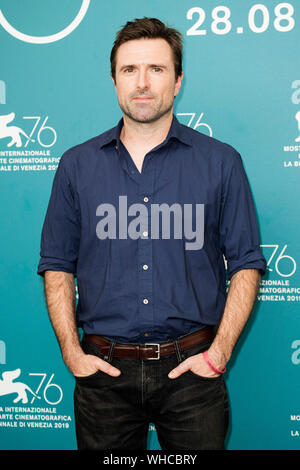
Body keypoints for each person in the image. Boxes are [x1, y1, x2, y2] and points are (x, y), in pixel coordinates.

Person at [37, 17, 266, 450]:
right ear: (114, 80)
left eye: (156, 70)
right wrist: (72, 353)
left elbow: (247, 264)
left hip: (192, 376)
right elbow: (57, 265)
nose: (142, 83)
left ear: (178, 80)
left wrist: (218, 355)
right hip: (104, 375)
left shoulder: (221, 162)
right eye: (130, 70)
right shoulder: (76, 165)